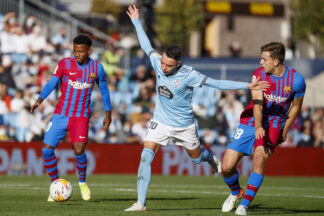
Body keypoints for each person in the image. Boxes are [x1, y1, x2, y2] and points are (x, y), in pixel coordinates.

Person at [125, 5, 270, 211]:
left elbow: (218, 83)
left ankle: (210, 158)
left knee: (197, 158)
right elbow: (147, 46)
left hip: (184, 126)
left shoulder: (190, 75)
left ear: (178, 64)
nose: (163, 68)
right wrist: (136, 22)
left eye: (168, 65)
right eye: (163, 63)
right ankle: (140, 202)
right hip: (160, 121)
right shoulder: (158, 63)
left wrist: (246, 85)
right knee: (146, 156)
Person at [221, 42, 306, 215]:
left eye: (264, 59)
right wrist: (259, 126)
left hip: (275, 122)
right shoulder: (258, 75)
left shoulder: (296, 80)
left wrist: (285, 129)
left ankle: (243, 205)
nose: (260, 62)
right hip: (251, 120)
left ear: (275, 61)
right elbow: (258, 104)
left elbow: (296, 106)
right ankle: (236, 192)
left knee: (259, 158)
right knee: (226, 167)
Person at [30, 35, 112, 201]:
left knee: (79, 150)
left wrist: (108, 113)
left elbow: (104, 90)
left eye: (81, 51)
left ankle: (82, 182)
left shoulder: (97, 68)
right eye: (75, 50)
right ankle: (56, 185)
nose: (77, 54)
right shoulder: (64, 64)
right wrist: (39, 99)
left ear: (90, 50)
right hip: (61, 115)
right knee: (46, 150)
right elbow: (52, 83)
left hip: (80, 117)